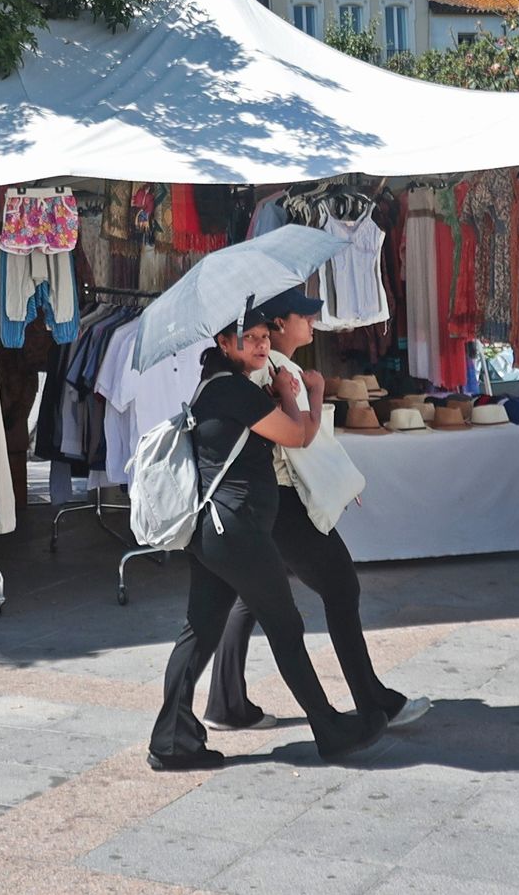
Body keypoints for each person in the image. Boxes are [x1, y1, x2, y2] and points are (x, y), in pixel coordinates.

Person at [148, 303, 389, 771]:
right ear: (224, 343)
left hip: (216, 530)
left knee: (200, 633)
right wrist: (298, 394)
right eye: (249, 338)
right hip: (237, 531)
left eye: (263, 336)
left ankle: (171, 740)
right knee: (285, 625)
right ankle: (329, 729)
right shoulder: (235, 390)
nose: (261, 345)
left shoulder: (215, 385)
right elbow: (297, 435)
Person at [203, 286, 430, 734]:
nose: (312, 323)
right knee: (340, 588)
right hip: (283, 501)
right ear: (279, 324)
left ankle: (225, 703)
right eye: (304, 316)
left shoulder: (269, 369)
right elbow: (300, 441)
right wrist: (315, 393)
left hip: (264, 503)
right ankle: (372, 701)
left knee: (250, 598)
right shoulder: (277, 371)